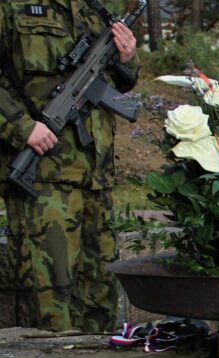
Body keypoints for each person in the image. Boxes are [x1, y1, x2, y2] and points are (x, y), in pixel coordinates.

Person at [0, 0, 139, 332]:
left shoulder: (94, 8)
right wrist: (21, 126)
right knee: (52, 306)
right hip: (43, 181)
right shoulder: (11, 6)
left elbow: (121, 82)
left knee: (101, 299)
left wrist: (128, 57)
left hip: (97, 179)